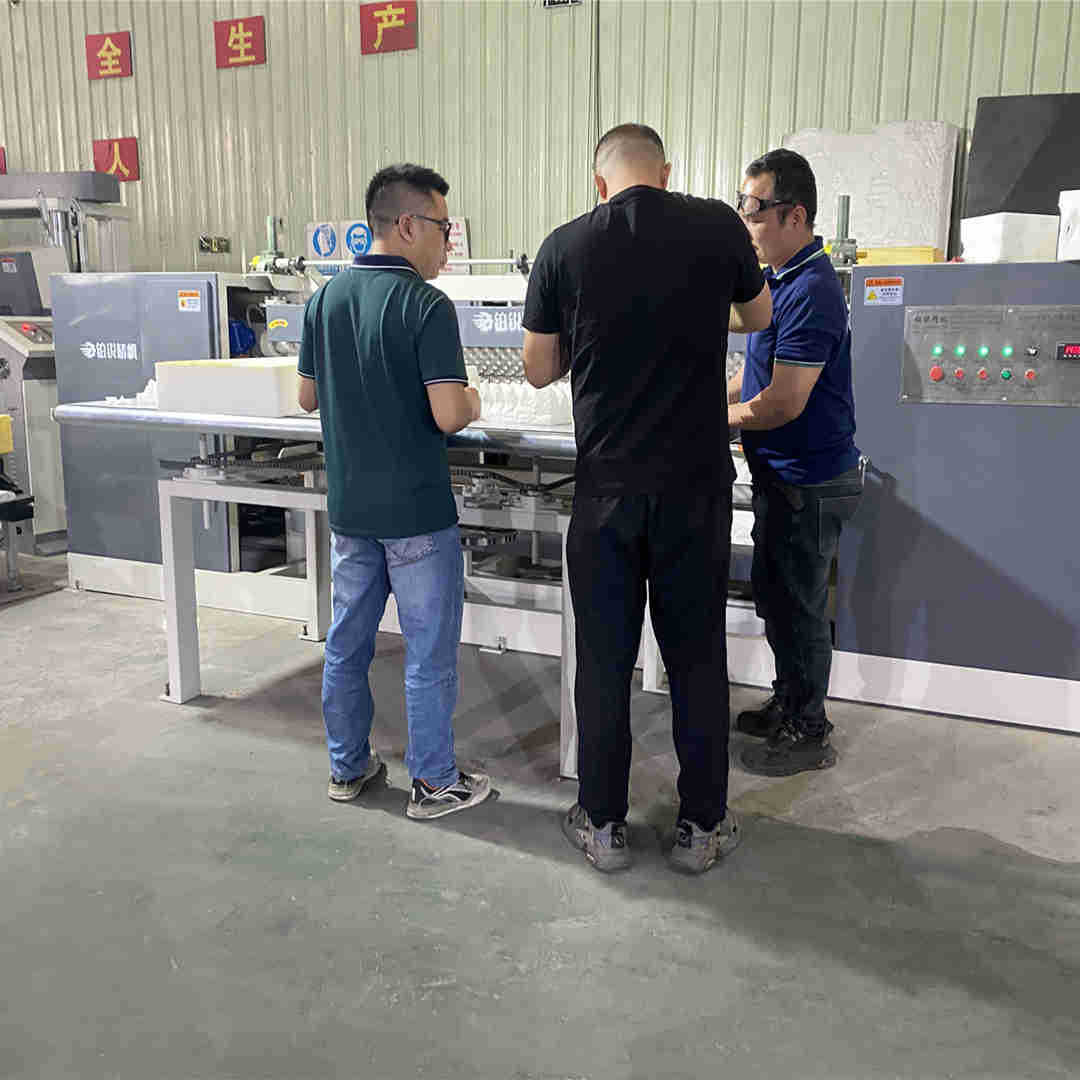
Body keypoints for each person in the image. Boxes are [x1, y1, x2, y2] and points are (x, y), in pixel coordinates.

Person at [523, 124, 772, 874]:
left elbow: (536, 368)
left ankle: (603, 826)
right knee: (696, 659)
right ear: (665, 172)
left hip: (607, 492)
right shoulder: (718, 226)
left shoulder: (564, 245)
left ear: (600, 183)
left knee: (603, 662)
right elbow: (759, 317)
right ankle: (701, 829)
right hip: (695, 490)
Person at [297, 163, 491, 820]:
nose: (447, 244)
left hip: (351, 511)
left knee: (347, 644)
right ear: (408, 225)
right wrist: (473, 398)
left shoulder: (325, 299)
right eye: (443, 228)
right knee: (427, 652)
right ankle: (433, 783)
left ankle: (347, 767)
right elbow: (449, 414)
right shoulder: (426, 306)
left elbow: (306, 396)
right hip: (415, 513)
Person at [727, 148, 862, 777]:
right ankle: (788, 701)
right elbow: (754, 375)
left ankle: (810, 731)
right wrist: (707, 396)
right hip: (781, 476)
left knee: (801, 608)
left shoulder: (811, 290)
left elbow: (783, 401)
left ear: (795, 215)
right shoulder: (776, 281)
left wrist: (714, 420)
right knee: (778, 599)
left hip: (810, 481)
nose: (746, 222)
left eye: (754, 209)